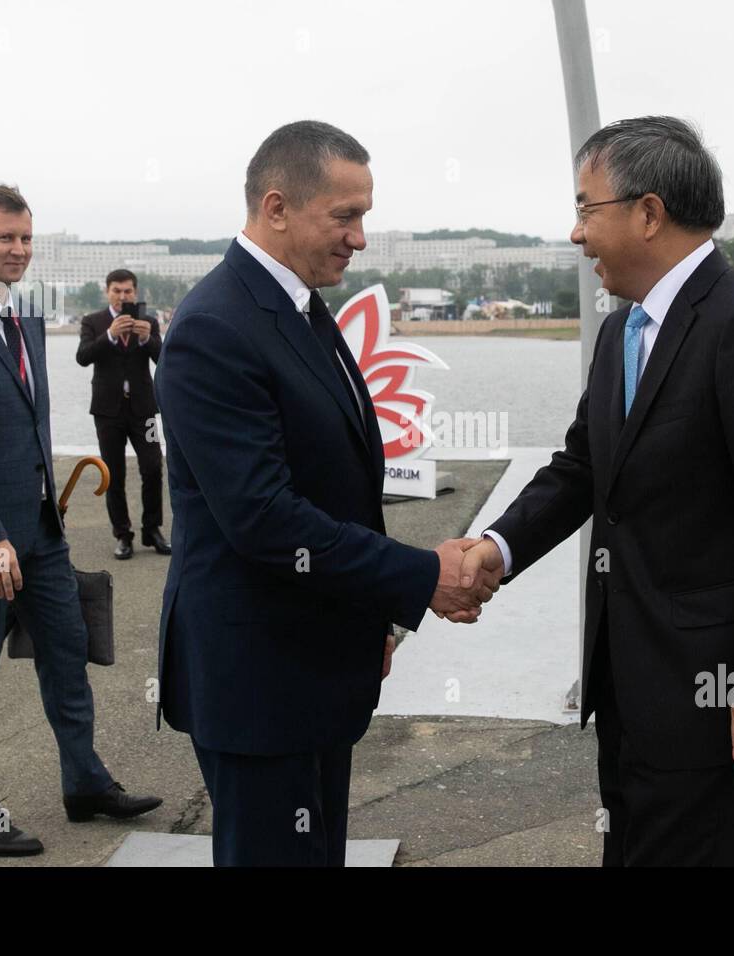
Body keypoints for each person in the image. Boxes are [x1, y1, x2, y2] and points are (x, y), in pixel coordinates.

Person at [458, 117, 734, 866]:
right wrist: (497, 547)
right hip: (634, 692)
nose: (574, 233)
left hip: (722, 705)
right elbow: (583, 468)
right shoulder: (621, 332)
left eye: (584, 208)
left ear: (648, 212)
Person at [153, 121, 497, 866]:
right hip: (259, 682)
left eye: (363, 216)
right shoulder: (215, 328)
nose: (360, 238)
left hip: (313, 664)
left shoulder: (303, 307)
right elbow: (264, 519)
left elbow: (338, 487)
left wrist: (371, 616)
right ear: (276, 208)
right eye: (344, 216)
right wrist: (419, 575)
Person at [0, 185, 162, 857]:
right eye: (5, 238)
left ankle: (86, 783)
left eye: (26, 239)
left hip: (40, 530)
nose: (19, 250)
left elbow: (25, 428)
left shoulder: (26, 320)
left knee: (68, 655)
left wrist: (42, 514)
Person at [75, 269, 169, 560]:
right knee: (113, 474)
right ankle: (123, 535)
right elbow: (83, 357)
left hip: (145, 410)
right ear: (108, 292)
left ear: (135, 293)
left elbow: (164, 359)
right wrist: (110, 336)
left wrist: (146, 340)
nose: (122, 296)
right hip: (107, 411)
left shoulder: (149, 322)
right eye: (117, 290)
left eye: (128, 291)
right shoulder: (94, 322)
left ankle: (151, 529)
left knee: (153, 468)